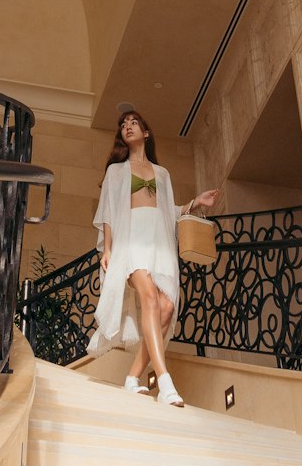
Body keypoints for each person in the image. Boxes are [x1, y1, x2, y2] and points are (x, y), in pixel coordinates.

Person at [87, 108, 219, 407]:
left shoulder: (162, 174)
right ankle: (164, 380)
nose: (128, 127)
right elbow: (109, 210)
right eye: (123, 124)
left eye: (134, 123)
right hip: (131, 241)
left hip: (158, 243)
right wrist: (107, 248)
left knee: (167, 306)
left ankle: (133, 378)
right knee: (148, 297)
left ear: (146, 133)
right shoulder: (116, 171)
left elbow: (167, 213)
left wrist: (195, 203)